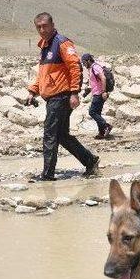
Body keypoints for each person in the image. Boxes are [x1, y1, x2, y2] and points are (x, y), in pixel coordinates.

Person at [26, 12, 100, 181]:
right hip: (53, 96)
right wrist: (32, 91)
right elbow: (43, 75)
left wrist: (74, 92)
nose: (42, 30)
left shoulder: (62, 43)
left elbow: (75, 67)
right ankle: (90, 161)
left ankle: (48, 175)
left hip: (61, 96)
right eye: (39, 27)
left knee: (50, 134)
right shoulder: (45, 46)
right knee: (61, 136)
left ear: (52, 25)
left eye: (45, 26)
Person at [81, 53, 113, 139]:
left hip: (100, 93)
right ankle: (102, 133)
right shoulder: (92, 68)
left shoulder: (95, 67)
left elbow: (103, 78)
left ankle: (106, 126)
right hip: (97, 92)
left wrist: (104, 92)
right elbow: (95, 82)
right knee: (97, 112)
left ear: (88, 60)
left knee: (92, 112)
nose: (84, 64)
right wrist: (88, 91)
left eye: (84, 62)